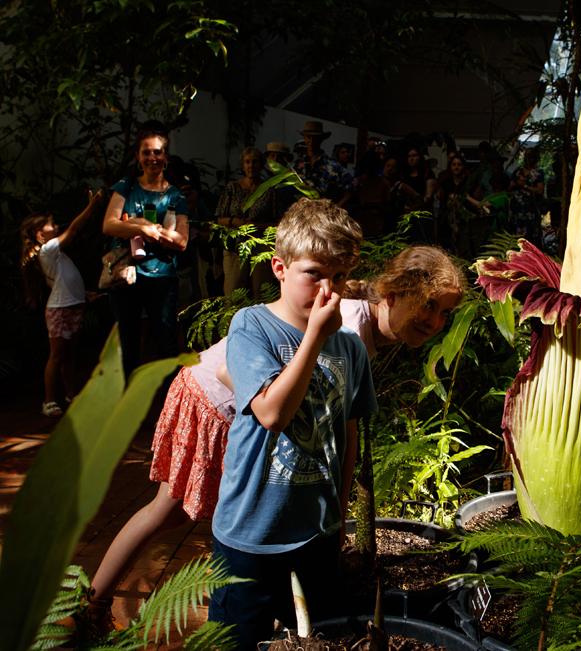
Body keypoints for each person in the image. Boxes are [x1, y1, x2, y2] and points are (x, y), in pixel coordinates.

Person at [83, 241, 465, 638]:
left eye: (445, 313)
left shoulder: (363, 331)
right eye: (427, 306)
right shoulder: (342, 320)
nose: (436, 322)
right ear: (394, 292)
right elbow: (243, 376)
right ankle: (92, 603)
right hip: (218, 400)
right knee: (169, 508)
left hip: (251, 410)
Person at [206, 197, 374, 650]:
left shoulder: (351, 349)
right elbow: (272, 414)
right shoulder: (252, 326)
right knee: (237, 640)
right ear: (279, 268)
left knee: (322, 638)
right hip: (251, 533)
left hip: (316, 533)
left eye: (339, 277)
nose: (328, 290)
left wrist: (338, 515)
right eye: (314, 273)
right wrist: (315, 338)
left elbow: (348, 434)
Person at [101, 122, 189, 378]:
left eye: (158, 152)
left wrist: (142, 227)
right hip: (127, 275)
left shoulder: (175, 196)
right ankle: (126, 406)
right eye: (147, 152)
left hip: (161, 277)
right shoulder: (126, 188)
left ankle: (169, 407)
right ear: (138, 157)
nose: (153, 158)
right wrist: (150, 230)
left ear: (166, 157)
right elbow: (108, 224)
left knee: (166, 343)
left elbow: (182, 241)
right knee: (127, 344)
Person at [20, 189, 104, 417]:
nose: (55, 226)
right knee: (57, 355)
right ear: (40, 235)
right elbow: (75, 229)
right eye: (51, 224)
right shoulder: (47, 250)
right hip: (59, 310)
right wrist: (92, 206)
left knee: (69, 355)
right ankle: (48, 401)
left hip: (73, 305)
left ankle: (70, 394)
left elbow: (64, 281)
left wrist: (85, 294)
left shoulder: (56, 255)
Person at [214, 147, 278, 296]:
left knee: (262, 292)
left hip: (261, 246)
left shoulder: (269, 189)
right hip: (235, 246)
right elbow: (219, 218)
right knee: (233, 291)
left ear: (261, 165)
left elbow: (278, 222)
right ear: (242, 165)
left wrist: (257, 226)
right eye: (247, 162)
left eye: (255, 162)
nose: (251, 166)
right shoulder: (233, 188)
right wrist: (235, 221)